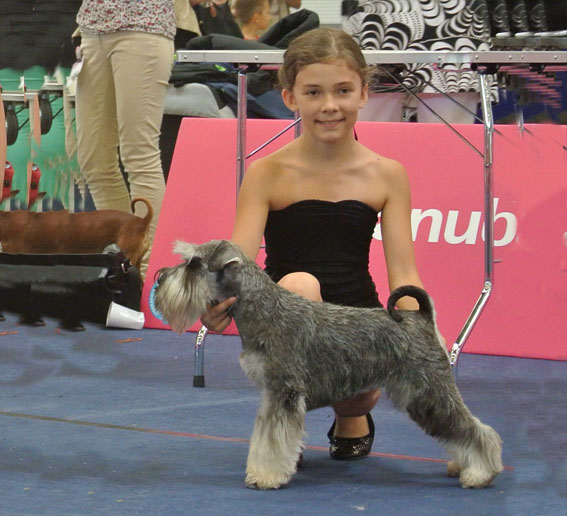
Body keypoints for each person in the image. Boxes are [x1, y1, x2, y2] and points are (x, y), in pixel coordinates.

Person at [202, 27, 427, 460]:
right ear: (290, 97)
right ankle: (287, 420)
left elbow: (405, 273)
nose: (329, 106)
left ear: (364, 92)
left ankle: (350, 415)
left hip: (356, 320)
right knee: (299, 285)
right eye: (313, 92)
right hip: (285, 314)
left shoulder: (388, 174)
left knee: (359, 394)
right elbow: (237, 263)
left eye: (343, 90)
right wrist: (214, 306)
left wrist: (421, 333)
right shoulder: (266, 173)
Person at [75, 0, 177, 280]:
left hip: (143, 25)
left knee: (139, 154)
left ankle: (149, 273)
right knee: (94, 161)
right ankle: (124, 264)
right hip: (92, 29)